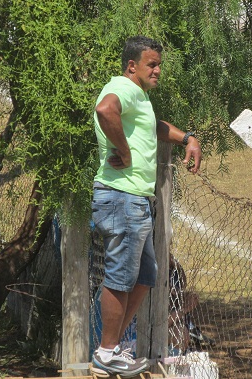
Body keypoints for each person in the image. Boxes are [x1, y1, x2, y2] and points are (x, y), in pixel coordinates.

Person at [91, 36, 201, 377]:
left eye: (159, 65)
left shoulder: (138, 96)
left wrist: (187, 138)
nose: (157, 70)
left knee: (144, 276)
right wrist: (124, 153)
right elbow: (104, 110)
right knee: (121, 276)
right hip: (122, 196)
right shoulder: (121, 89)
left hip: (134, 199)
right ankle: (106, 354)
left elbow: (152, 127)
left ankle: (111, 347)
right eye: (151, 64)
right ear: (132, 66)